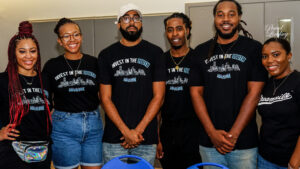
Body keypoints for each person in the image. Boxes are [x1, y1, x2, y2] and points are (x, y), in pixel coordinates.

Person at [189, 0, 268, 168]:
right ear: (214, 19)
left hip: (244, 142)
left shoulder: (253, 49)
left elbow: (254, 94)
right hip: (209, 143)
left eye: (231, 14)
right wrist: (212, 133)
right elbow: (196, 94)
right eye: (220, 14)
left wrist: (233, 135)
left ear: (239, 17)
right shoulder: (200, 52)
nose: (226, 19)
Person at [98, 3, 166, 166]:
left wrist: (137, 131)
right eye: (126, 18)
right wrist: (126, 131)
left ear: (141, 23)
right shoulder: (106, 55)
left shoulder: (155, 53)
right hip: (115, 138)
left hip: (145, 137)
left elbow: (159, 96)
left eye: (136, 18)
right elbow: (105, 98)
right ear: (119, 23)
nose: (132, 22)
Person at [42, 18, 103, 169]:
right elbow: (45, 100)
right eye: (66, 36)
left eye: (76, 34)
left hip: (93, 126)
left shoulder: (95, 63)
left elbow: (104, 96)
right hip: (63, 128)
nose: (72, 39)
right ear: (60, 41)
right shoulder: (51, 66)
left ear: (81, 37)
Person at [0, 21, 52, 169]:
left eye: (33, 51)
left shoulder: (45, 80)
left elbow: (50, 110)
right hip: (12, 152)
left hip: (43, 151)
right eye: (22, 51)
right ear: (13, 54)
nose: (28, 56)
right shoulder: (3, 81)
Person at [156, 12, 202, 169]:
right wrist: (157, 139)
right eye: (170, 29)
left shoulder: (199, 59)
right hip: (167, 132)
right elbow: (157, 103)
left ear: (187, 30)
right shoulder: (160, 61)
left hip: (194, 132)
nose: (174, 34)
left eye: (179, 28)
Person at [257, 37, 300, 169]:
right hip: (265, 158)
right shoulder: (266, 84)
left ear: (289, 56)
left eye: (276, 55)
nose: (269, 60)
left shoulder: (297, 81)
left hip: (291, 160)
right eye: (265, 56)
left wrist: (296, 160)